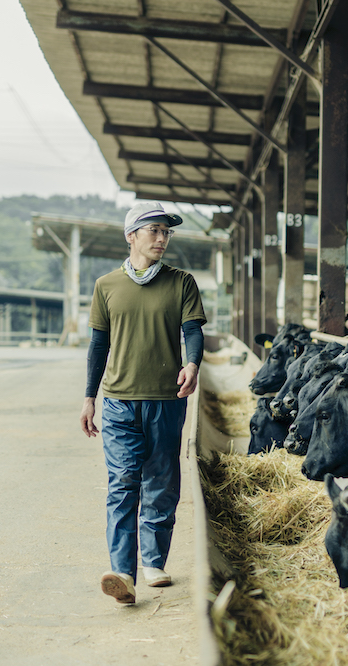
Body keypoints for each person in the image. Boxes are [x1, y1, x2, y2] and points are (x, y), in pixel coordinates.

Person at [80, 202, 207, 605]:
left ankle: (153, 561)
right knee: (122, 483)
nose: (161, 238)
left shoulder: (181, 282)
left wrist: (192, 363)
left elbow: (192, 330)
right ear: (131, 236)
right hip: (119, 401)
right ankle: (122, 572)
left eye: (166, 232)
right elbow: (98, 345)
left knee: (162, 483)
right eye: (153, 230)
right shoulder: (106, 286)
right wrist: (89, 398)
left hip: (166, 400)